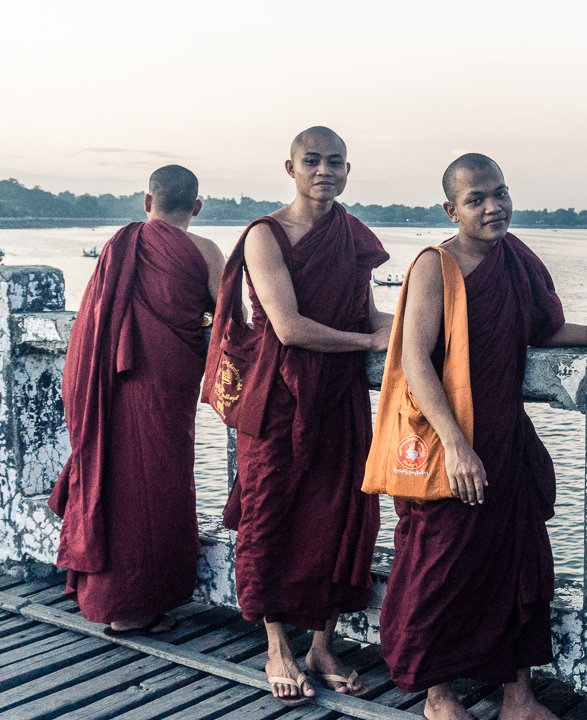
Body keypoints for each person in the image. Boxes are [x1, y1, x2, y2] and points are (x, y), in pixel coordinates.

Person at [379, 153, 587, 720]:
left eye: (499, 193)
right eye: (476, 199)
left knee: (522, 563)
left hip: (507, 441)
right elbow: (415, 361)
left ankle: (518, 695)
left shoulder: (517, 260)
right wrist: (455, 445)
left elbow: (547, 330)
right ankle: (439, 697)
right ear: (452, 209)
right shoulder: (435, 265)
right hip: (454, 446)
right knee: (437, 566)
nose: (493, 206)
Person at [209, 126, 391, 704]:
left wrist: (411, 323)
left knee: (340, 516)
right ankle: (276, 645)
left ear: (347, 169)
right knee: (271, 514)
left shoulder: (351, 236)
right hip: (278, 397)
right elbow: (287, 326)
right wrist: (368, 344)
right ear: (289, 168)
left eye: (335, 162)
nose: (324, 171)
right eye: (311, 161)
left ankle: (320, 644)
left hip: (337, 398)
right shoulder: (266, 235)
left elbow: (366, 310)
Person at [49, 165, 225, 636]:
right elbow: (230, 320)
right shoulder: (205, 251)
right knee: (160, 488)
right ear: (197, 208)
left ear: (147, 203)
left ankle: (117, 603)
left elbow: (94, 324)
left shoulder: (118, 246)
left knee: (115, 481)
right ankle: (145, 603)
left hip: (115, 388)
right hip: (167, 388)